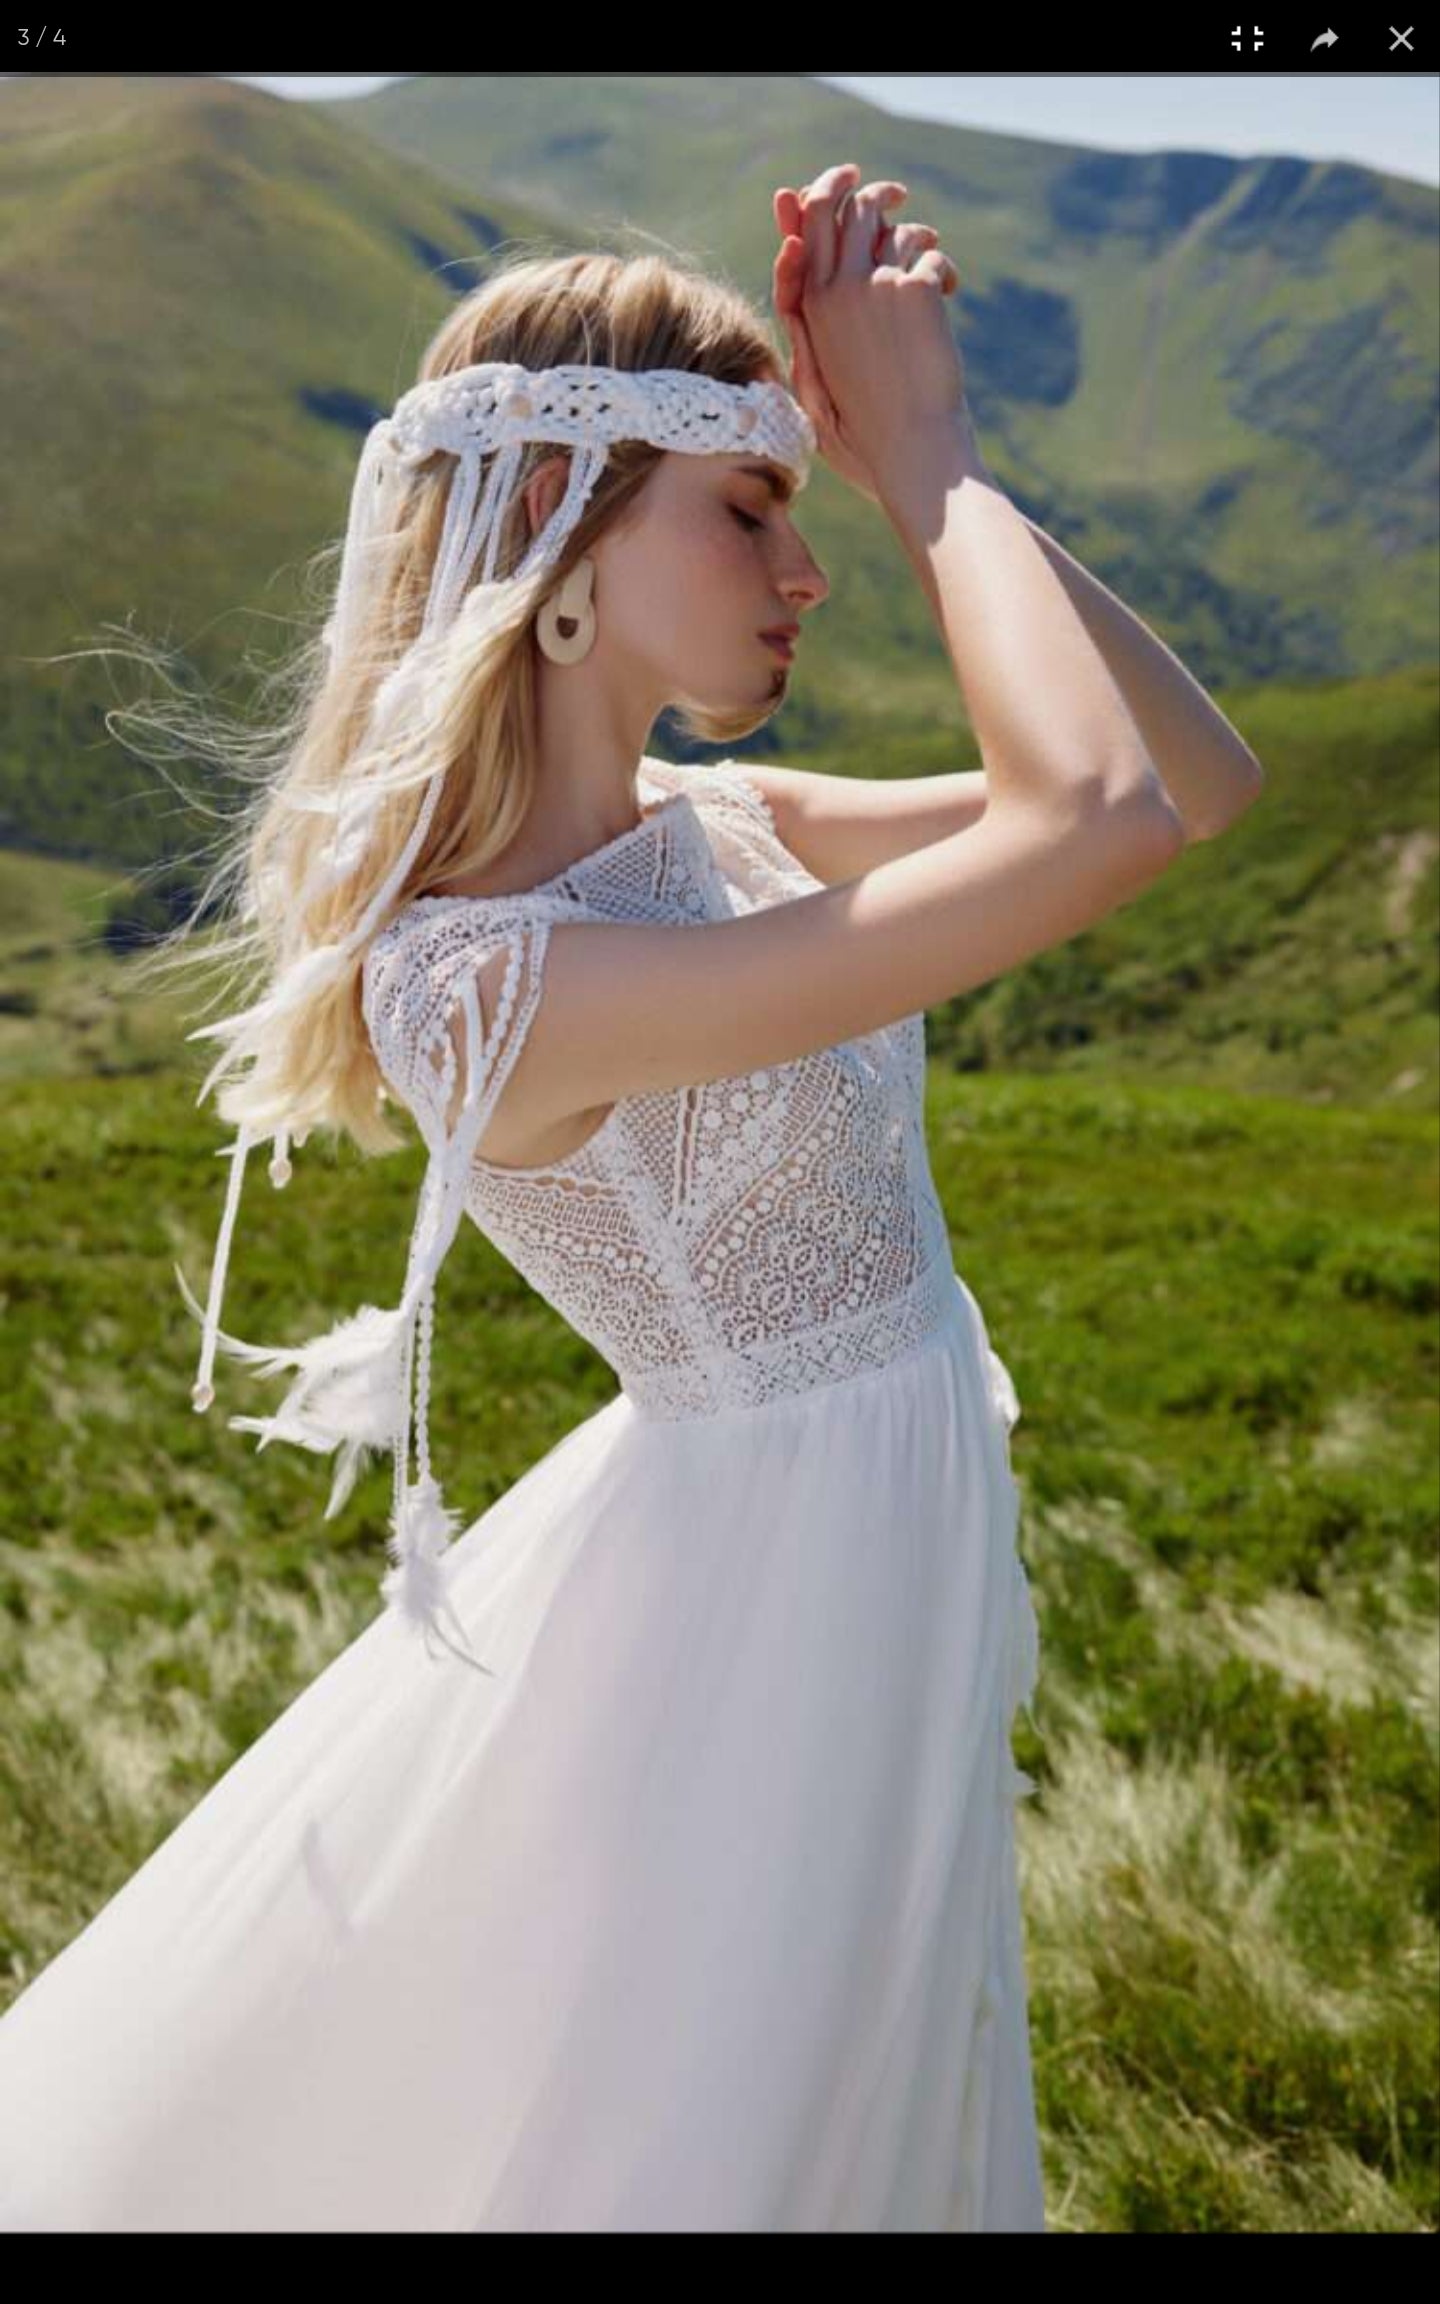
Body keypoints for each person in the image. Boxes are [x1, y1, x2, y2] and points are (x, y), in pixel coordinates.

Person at [0, 164, 1190, 2232]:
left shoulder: (723, 828)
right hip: (759, 1623)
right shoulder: (477, 983)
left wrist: (936, 481)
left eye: (803, 511)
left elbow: (1190, 783)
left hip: (865, 1551)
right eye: (751, 507)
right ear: (556, 530)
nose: (803, 570)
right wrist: (927, 465)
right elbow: (1088, 819)